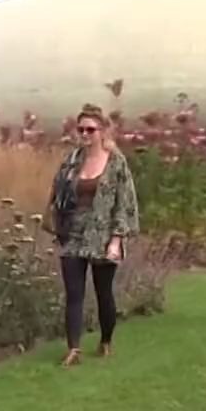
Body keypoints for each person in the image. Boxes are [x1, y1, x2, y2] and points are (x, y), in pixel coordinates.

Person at [45, 103, 140, 367]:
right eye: (81, 129)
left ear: (102, 132)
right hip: (73, 234)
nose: (85, 134)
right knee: (73, 294)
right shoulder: (72, 159)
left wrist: (117, 239)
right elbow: (58, 190)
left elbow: (125, 202)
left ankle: (106, 340)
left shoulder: (116, 162)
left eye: (90, 129)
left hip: (102, 235)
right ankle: (73, 349)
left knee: (103, 292)